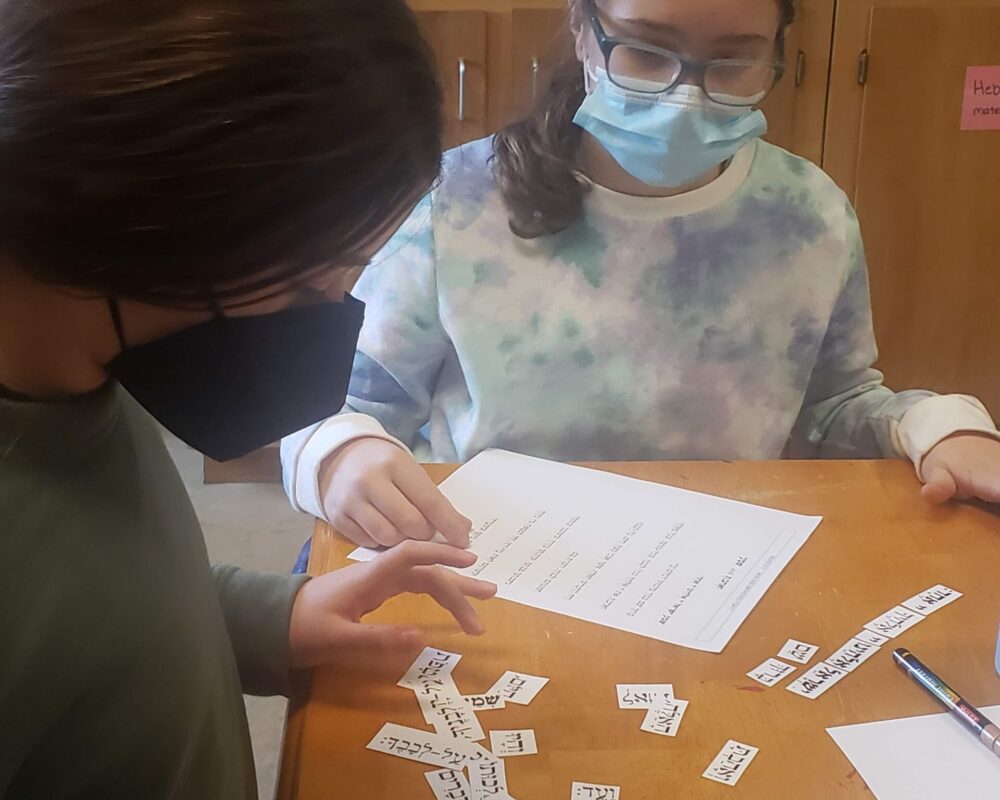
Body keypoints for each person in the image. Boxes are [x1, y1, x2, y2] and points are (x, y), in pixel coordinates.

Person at [0, 1, 497, 797]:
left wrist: (268, 620)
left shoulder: (83, 359)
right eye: (315, 279)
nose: (333, 312)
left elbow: (96, 607)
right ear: (148, 221)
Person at [282, 0, 1000, 549]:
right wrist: (337, 455)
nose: (685, 94)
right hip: (499, 559)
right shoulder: (457, 202)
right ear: (582, 29)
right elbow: (345, 402)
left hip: (717, 563)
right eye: (647, 51)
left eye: (733, 62)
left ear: (779, 56)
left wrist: (936, 426)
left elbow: (836, 407)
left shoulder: (808, 214)